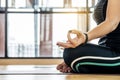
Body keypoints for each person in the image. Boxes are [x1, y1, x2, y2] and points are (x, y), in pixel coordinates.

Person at [56, 0, 120, 73]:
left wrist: (84, 37)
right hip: (109, 48)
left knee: (72, 53)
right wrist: (70, 60)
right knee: (71, 52)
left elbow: (112, 23)